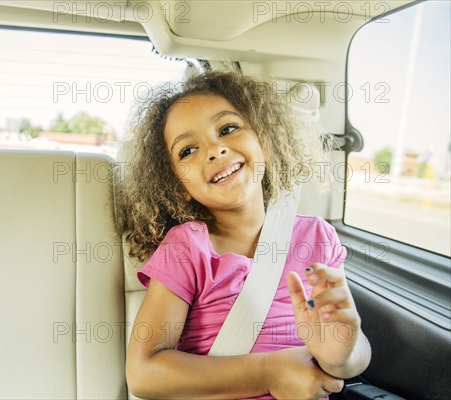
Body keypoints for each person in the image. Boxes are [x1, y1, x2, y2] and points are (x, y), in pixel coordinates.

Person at [117, 70, 371, 399]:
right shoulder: (187, 247)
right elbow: (143, 373)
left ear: (263, 139)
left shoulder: (317, 236)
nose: (214, 149)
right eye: (187, 151)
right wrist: (268, 374)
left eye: (228, 129)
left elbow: (354, 353)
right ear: (177, 186)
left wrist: (343, 355)